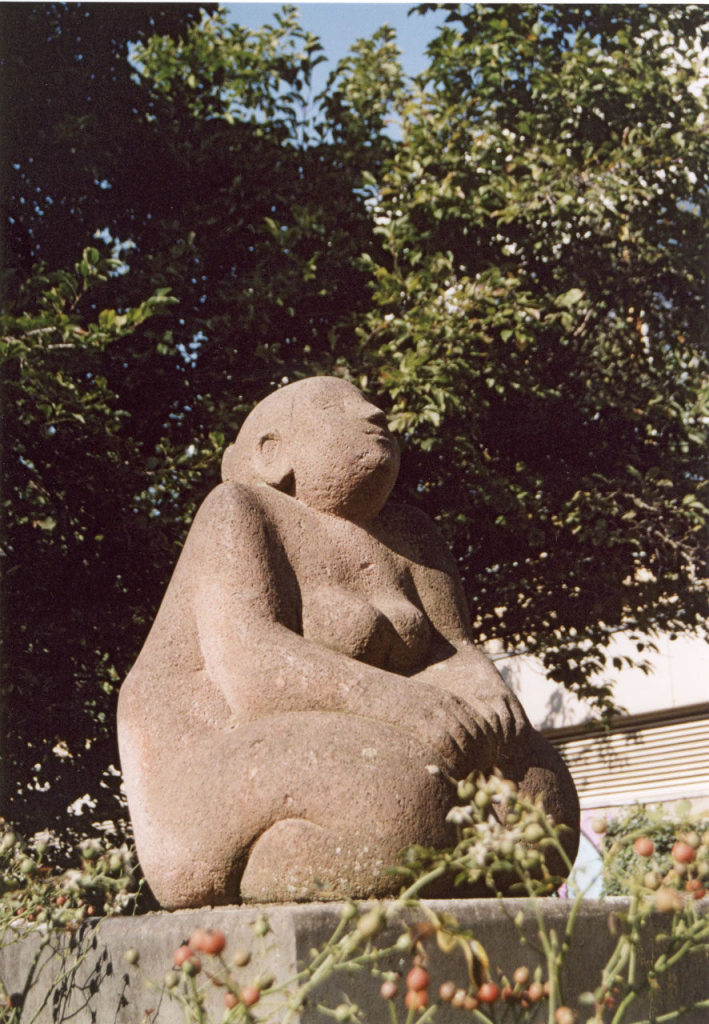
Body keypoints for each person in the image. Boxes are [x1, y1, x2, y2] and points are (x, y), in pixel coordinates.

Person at [118, 376, 579, 907]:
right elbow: (254, 669)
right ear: (272, 453)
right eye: (336, 407)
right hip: (215, 766)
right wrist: (402, 704)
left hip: (383, 740)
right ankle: (291, 865)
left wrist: (487, 694)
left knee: (542, 795)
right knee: (396, 794)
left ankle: (435, 855)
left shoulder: (412, 535)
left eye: (367, 401)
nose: (373, 413)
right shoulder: (240, 509)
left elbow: (454, 650)